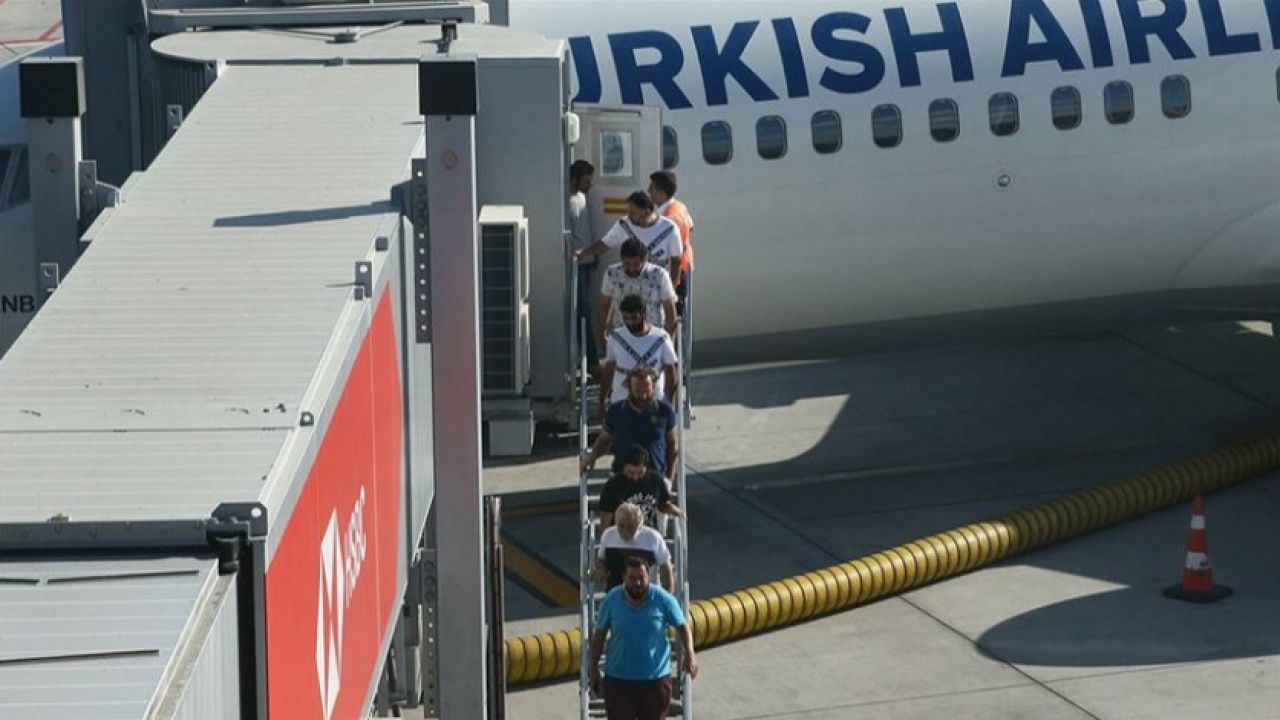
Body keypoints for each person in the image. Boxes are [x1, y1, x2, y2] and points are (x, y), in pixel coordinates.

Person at [589, 557, 697, 720]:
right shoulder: (611, 600)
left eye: (642, 577)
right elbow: (599, 635)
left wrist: (690, 654)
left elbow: (683, 626)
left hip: (655, 681)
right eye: (632, 578)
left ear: (649, 577)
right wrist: (593, 667)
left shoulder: (663, 599)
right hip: (619, 681)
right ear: (624, 577)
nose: (637, 583)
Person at [582, 365, 678, 479]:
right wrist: (591, 457)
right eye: (638, 391)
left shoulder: (665, 411)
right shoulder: (616, 411)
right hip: (622, 478)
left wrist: (669, 480)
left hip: (654, 478)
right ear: (628, 387)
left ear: (653, 386)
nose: (643, 396)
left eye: (646, 391)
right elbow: (604, 440)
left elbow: (672, 448)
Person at [576, 191, 682, 281]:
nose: (629, 215)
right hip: (630, 283)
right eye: (628, 211)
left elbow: (676, 261)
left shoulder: (669, 228)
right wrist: (583, 252)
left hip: (658, 285)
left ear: (647, 212)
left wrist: (672, 290)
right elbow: (605, 244)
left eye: (633, 212)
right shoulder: (623, 225)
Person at [600, 294, 678, 414]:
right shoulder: (615, 338)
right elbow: (608, 371)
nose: (630, 322)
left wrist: (671, 402)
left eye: (634, 318)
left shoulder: (661, 338)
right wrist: (602, 401)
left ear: (643, 314)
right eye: (626, 318)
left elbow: (670, 372)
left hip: (654, 403)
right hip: (621, 403)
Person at [597, 239, 677, 348]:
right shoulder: (612, 274)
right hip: (623, 338)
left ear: (644, 260)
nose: (631, 268)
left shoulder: (660, 275)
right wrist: (602, 336)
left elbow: (670, 309)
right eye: (627, 264)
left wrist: (670, 342)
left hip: (653, 339)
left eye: (636, 264)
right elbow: (604, 307)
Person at [599, 444, 682, 532]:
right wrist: (606, 538)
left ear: (646, 468)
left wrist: (672, 509)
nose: (635, 477)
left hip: (648, 532)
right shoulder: (612, 486)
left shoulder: (656, 480)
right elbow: (605, 520)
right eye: (630, 472)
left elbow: (662, 504)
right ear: (623, 468)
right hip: (622, 534)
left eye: (640, 473)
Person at [595, 503, 674, 592]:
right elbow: (601, 559)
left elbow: (666, 569)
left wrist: (668, 596)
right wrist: (601, 569)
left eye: (630, 527)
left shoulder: (653, 537)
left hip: (646, 594)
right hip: (615, 593)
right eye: (621, 526)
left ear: (640, 525)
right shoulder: (608, 535)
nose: (625, 531)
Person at [569, 160, 599, 371]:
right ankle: (592, 361)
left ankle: (589, 359)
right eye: (586, 181)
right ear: (574, 180)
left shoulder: (581, 197)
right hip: (577, 264)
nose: (590, 185)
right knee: (583, 313)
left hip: (586, 261)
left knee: (585, 311)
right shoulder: (569, 203)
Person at [647, 171, 693, 295]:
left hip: (674, 273)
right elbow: (690, 226)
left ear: (661, 193)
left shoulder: (669, 218)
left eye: (651, 188)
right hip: (683, 267)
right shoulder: (679, 206)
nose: (648, 191)